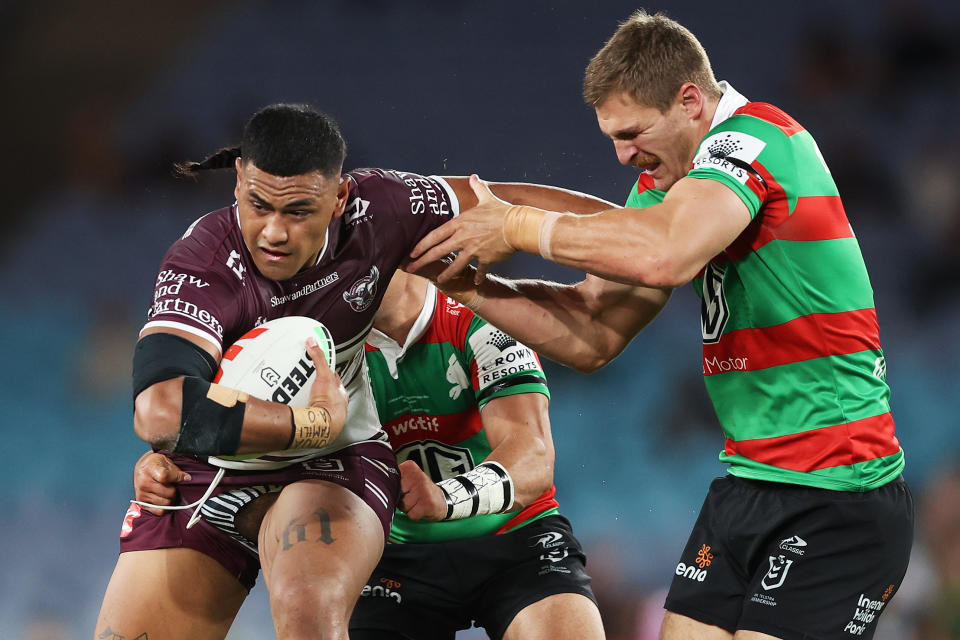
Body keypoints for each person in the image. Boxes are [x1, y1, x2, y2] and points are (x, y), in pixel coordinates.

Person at [406, 10, 914, 640]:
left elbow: (666, 252)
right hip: (749, 484)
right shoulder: (670, 185)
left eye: (633, 132)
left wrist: (515, 225)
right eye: (612, 138)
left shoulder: (757, 139)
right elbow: (593, 335)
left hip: (839, 493)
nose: (622, 156)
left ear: (691, 101)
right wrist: (474, 288)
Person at [99, 102, 615, 640]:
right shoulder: (201, 261)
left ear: (341, 198)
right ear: (237, 183)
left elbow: (510, 202)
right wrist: (290, 426)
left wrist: (637, 231)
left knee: (307, 606)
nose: (274, 232)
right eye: (258, 206)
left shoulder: (390, 217)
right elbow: (160, 410)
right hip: (217, 468)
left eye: (299, 211)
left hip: (333, 464)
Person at [136, 269, 606, 640]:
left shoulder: (481, 314)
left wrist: (447, 498)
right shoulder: (299, 345)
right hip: (390, 558)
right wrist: (170, 471)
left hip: (517, 540)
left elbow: (533, 459)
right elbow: (237, 453)